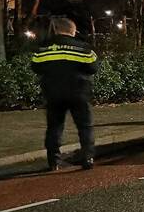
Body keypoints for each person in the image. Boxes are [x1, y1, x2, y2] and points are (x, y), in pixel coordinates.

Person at [30, 16, 98, 171]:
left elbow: (35, 67)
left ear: (56, 30)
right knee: (85, 126)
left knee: (54, 127)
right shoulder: (84, 47)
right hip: (79, 92)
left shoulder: (43, 48)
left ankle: (53, 161)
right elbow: (93, 67)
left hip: (53, 93)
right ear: (72, 31)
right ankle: (88, 158)